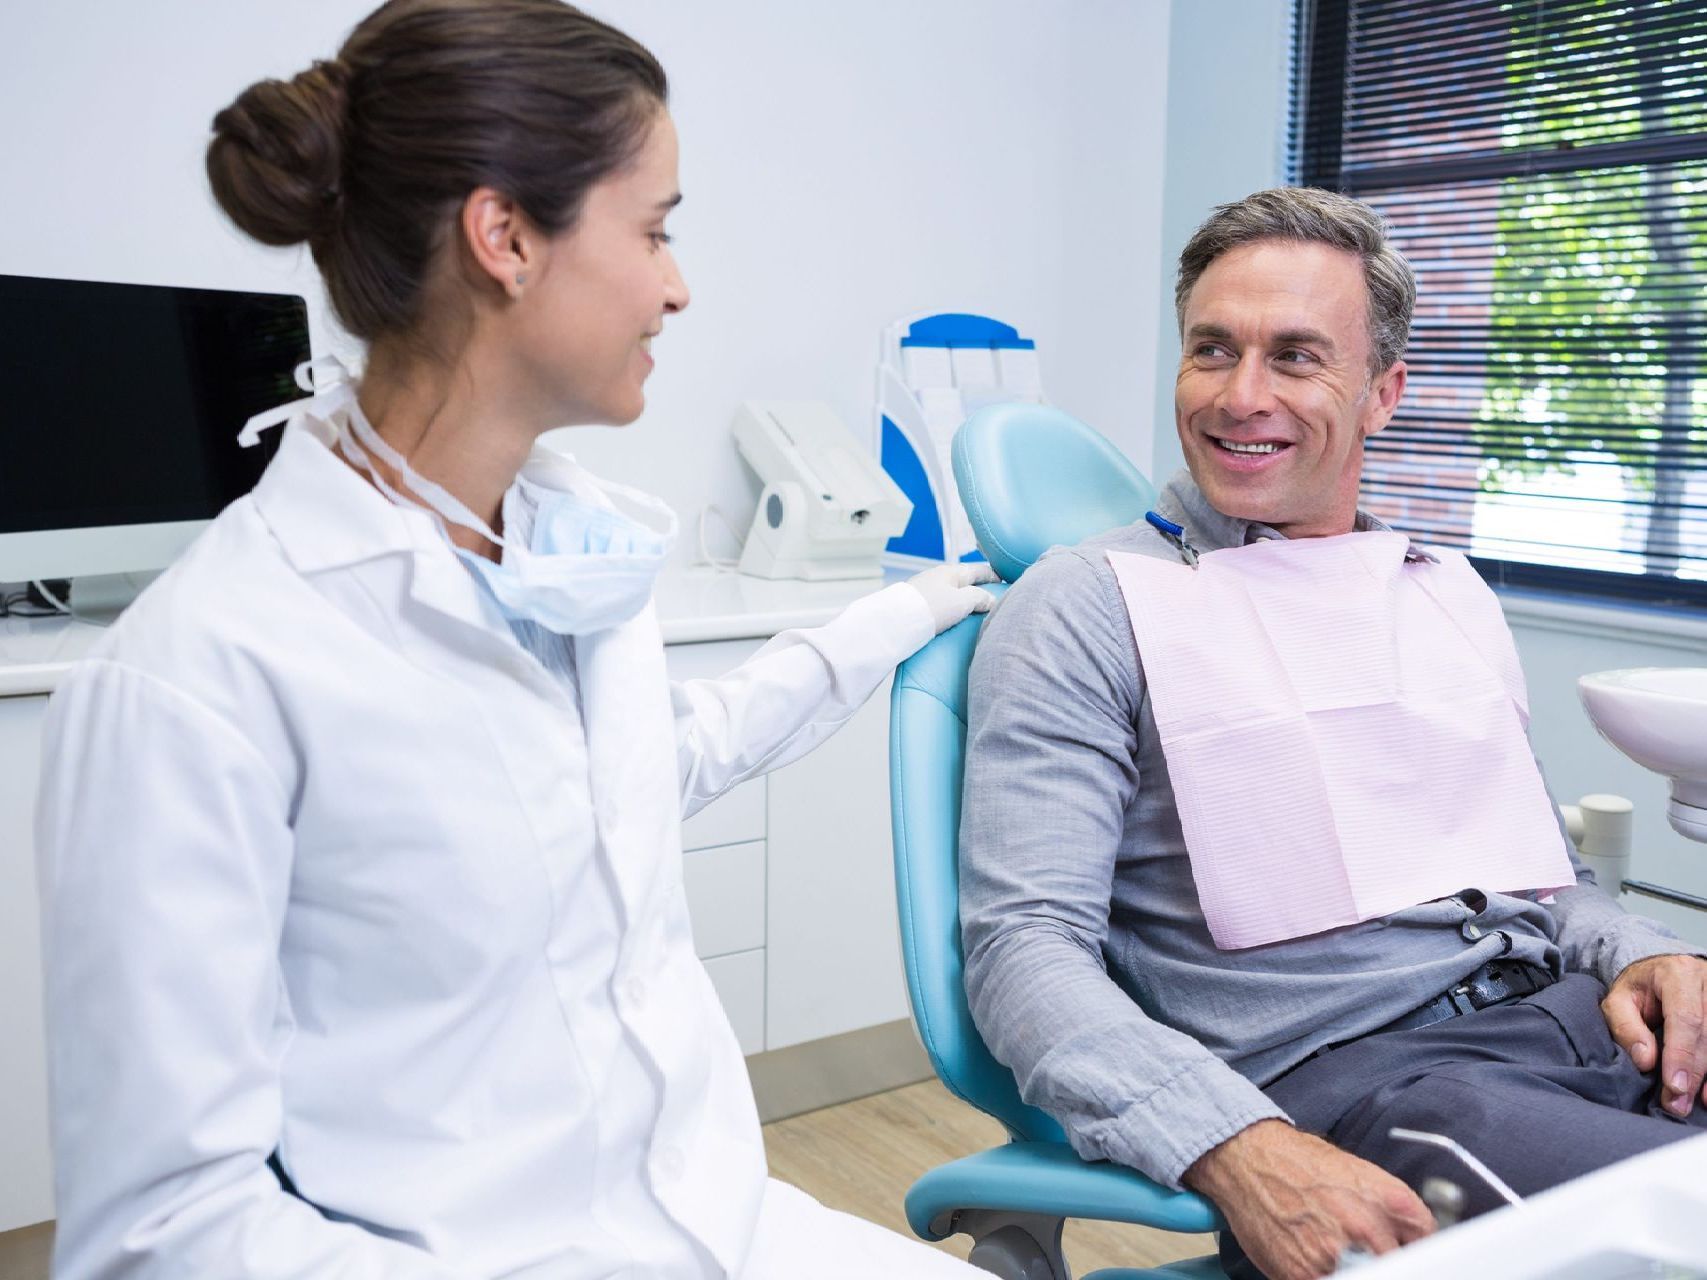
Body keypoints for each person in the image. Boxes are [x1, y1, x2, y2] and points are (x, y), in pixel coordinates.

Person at [34, 3, 993, 1276]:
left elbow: (651, 764)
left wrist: (910, 607)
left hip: (719, 1223)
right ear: (505, 239)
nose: (678, 282)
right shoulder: (204, 673)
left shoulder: (563, 552)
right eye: (654, 228)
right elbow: (165, 1232)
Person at [959, 185, 1707, 1280]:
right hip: (1384, 1085)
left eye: (1297, 356)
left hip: (1589, 1020)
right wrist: (1240, 1144)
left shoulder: (1436, 590)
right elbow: (1024, 953)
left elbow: (1540, 879)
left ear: (1381, 392)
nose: (1240, 394)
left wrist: (1649, 950)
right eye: (1212, 349)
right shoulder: (1089, 605)